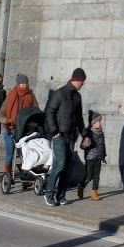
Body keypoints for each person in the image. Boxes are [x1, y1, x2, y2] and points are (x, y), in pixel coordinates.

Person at [42, 68, 86, 207]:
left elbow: (79, 117)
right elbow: (50, 112)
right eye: (82, 81)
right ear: (77, 80)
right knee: (59, 164)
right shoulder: (60, 93)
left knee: (67, 167)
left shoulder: (77, 97)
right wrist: (55, 132)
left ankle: (61, 196)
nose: (83, 84)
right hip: (59, 135)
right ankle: (48, 193)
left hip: (71, 135)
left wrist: (84, 133)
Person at [0, 73, 37, 177]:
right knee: (10, 155)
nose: (24, 85)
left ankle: (24, 174)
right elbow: (0, 114)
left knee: (24, 155)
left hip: (24, 131)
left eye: (25, 83)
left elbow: (36, 111)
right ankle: (7, 174)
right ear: (18, 84)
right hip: (10, 130)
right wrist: (7, 120)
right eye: (22, 83)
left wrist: (32, 121)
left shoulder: (31, 96)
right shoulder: (11, 96)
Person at [78, 112, 106, 200]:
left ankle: (94, 193)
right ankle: (81, 187)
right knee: (88, 177)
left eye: (100, 121)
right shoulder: (88, 133)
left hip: (98, 158)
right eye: (98, 121)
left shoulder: (101, 133)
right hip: (90, 158)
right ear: (93, 123)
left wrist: (103, 155)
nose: (100, 123)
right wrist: (85, 144)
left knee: (97, 176)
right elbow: (82, 146)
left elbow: (102, 145)